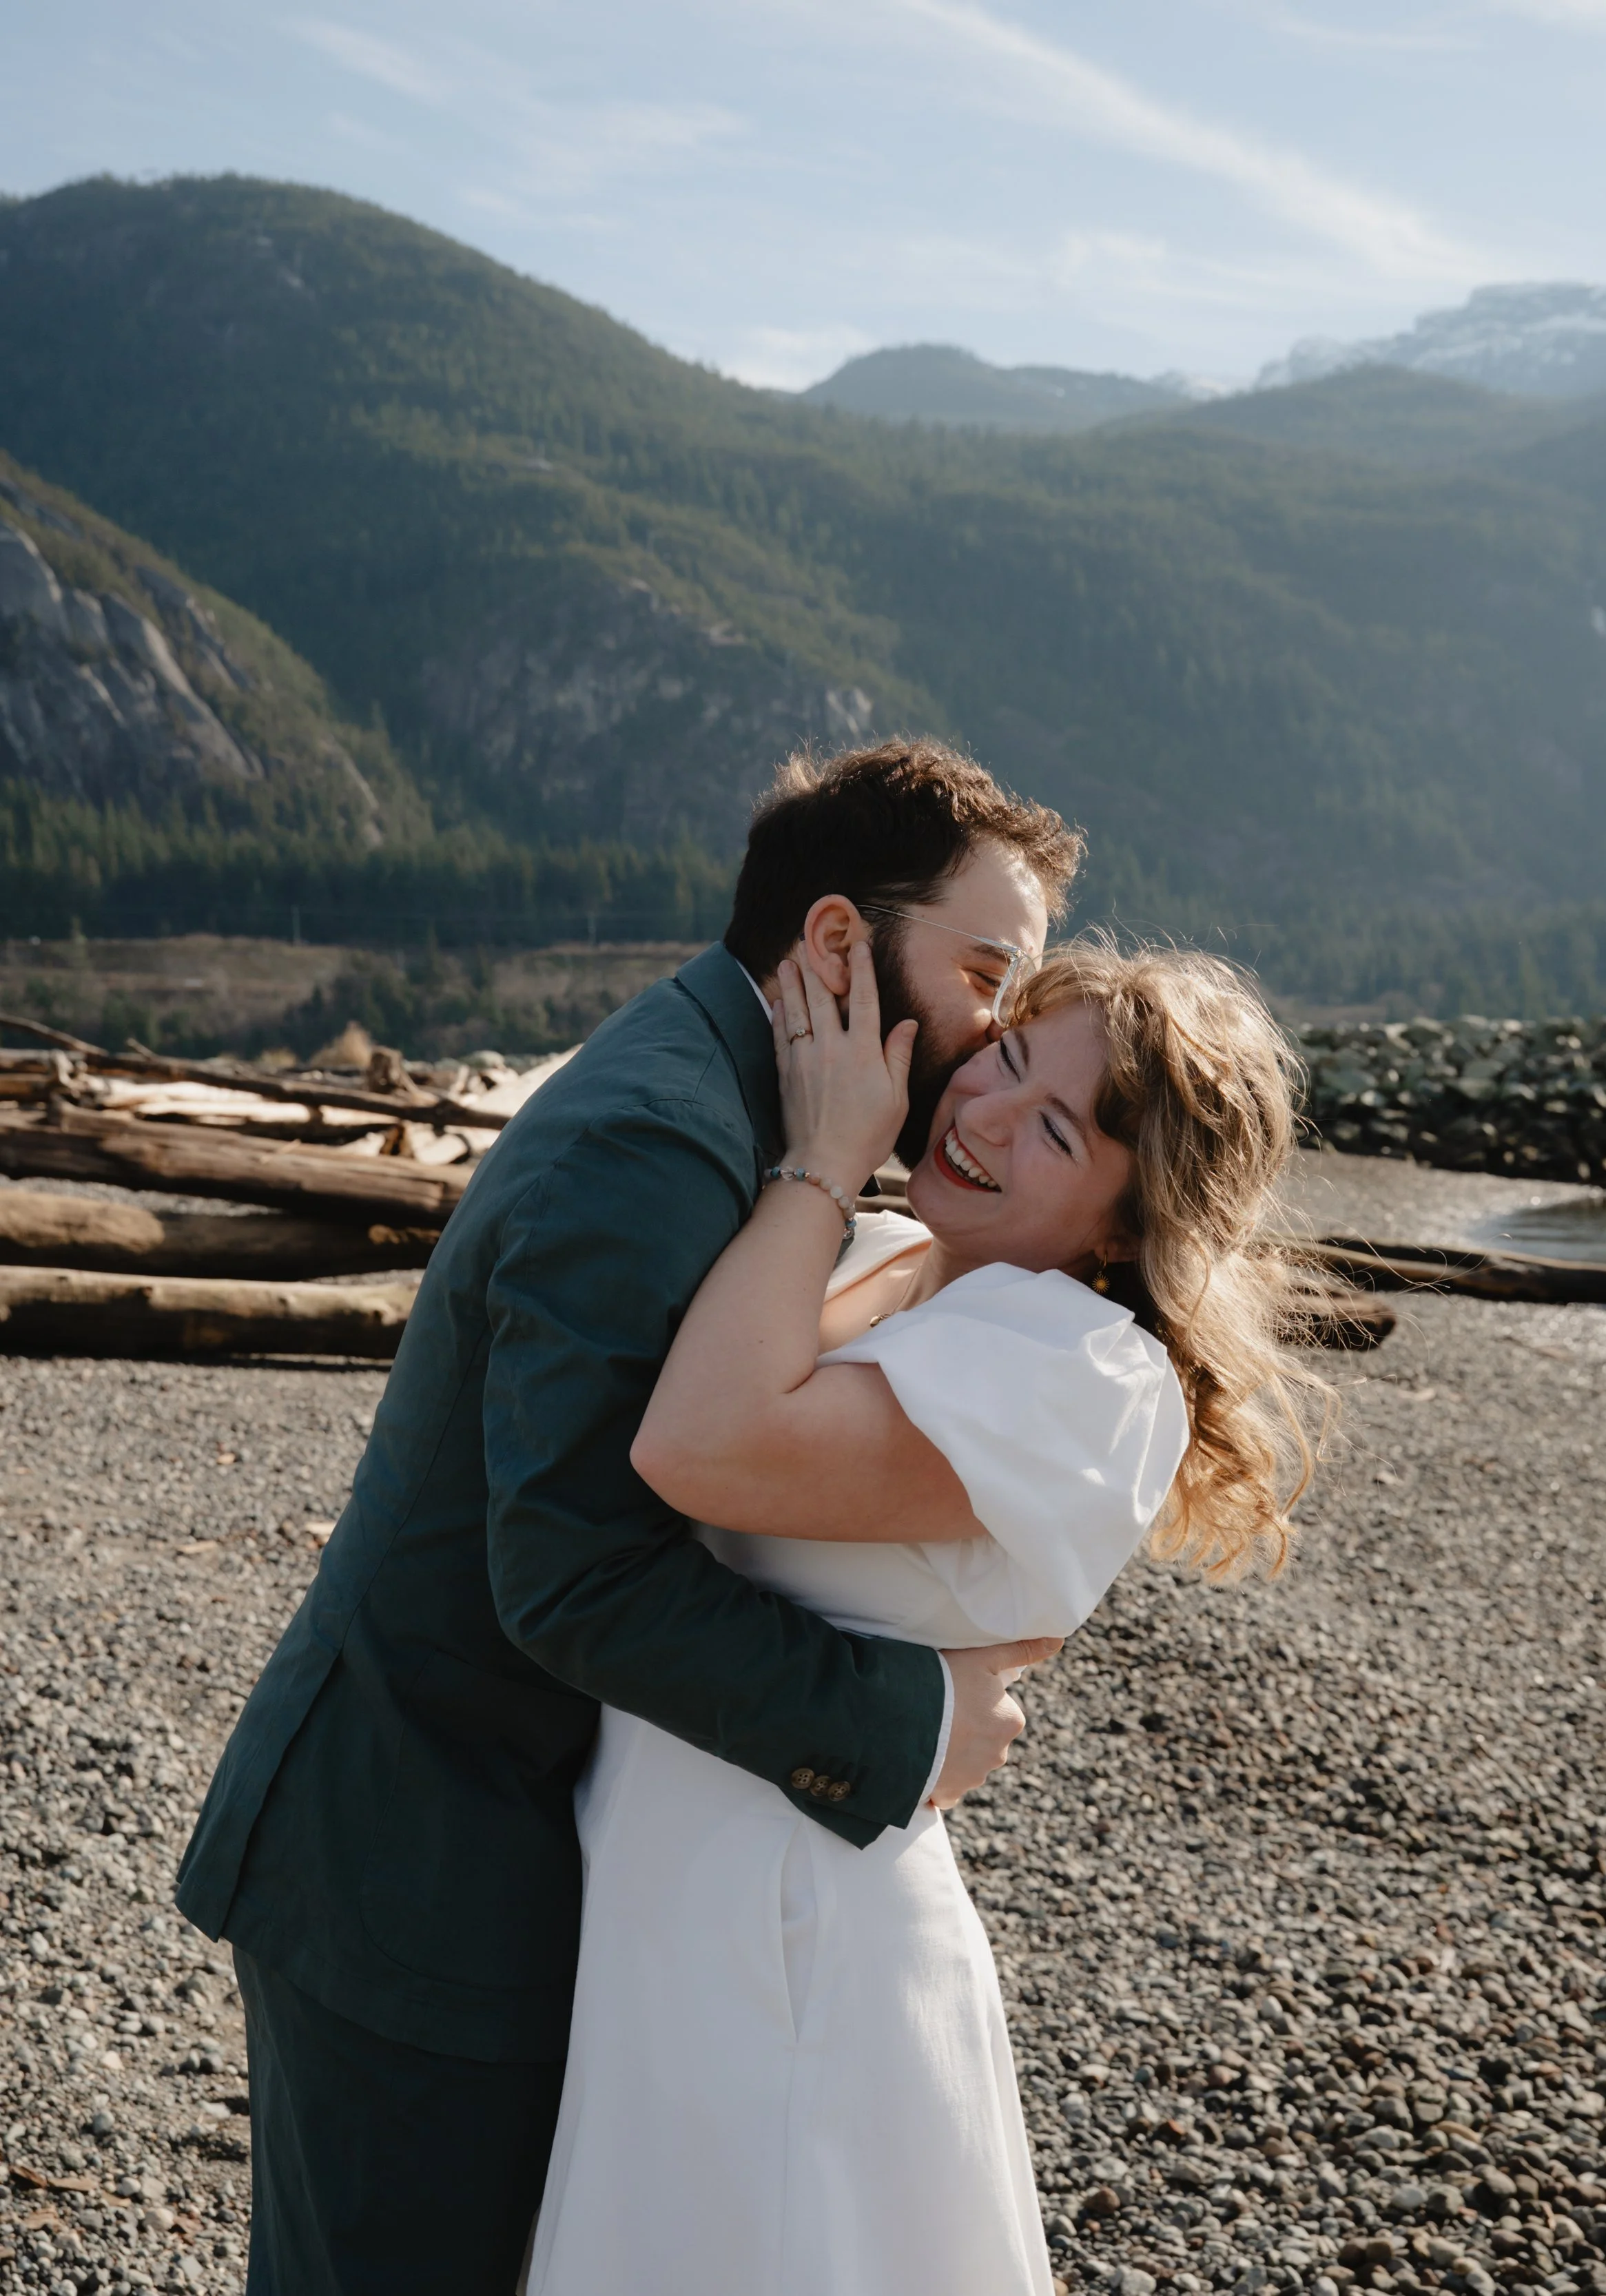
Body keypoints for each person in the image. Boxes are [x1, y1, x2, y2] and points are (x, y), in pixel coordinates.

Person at [173, 738, 1083, 2295]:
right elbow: (571, 1577)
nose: (995, 1033)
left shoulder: (738, 1105)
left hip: (464, 1841)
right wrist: (905, 1718)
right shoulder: (657, 1141)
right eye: (985, 973)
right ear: (836, 946)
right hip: (412, 1864)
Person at [525, 935, 1320, 2296]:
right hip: (666, 1889)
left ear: (1123, 1229)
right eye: (1004, 1058)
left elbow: (698, 1443)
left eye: (1056, 1126)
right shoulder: (897, 1251)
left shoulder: (1081, 1370)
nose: (986, 1111)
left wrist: (821, 1158)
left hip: (788, 1928)